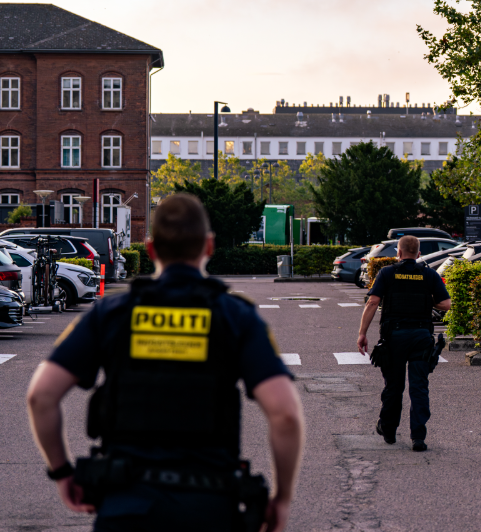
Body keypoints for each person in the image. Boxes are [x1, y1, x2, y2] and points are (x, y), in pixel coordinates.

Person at [25, 193, 304, 532]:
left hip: (125, 508)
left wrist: (62, 472)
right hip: (209, 508)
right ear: (209, 246)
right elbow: (285, 414)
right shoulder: (236, 316)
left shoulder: (112, 313)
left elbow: (41, 395)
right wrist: (282, 498)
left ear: (151, 249)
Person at [357, 235, 451, 451]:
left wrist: (362, 333)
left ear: (398, 253)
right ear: (419, 254)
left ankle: (389, 430)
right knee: (419, 388)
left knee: (394, 386)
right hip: (421, 337)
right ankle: (418, 438)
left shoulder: (387, 273)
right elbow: (446, 304)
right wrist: (426, 301)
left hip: (394, 337)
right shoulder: (429, 274)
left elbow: (372, 302)